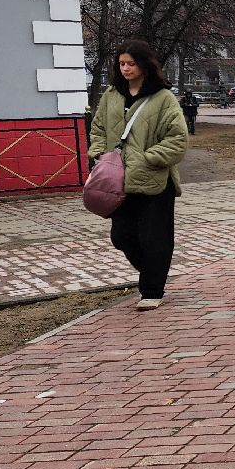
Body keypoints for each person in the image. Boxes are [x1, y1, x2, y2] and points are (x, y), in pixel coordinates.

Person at [88, 40, 188, 311]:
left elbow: (178, 138)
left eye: (131, 63)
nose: (125, 68)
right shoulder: (112, 94)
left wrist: (148, 159)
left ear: (144, 65)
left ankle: (152, 290)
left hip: (155, 182)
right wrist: (99, 154)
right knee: (121, 236)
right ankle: (154, 271)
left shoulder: (162, 97)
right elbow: (97, 128)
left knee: (155, 237)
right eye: (121, 63)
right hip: (118, 182)